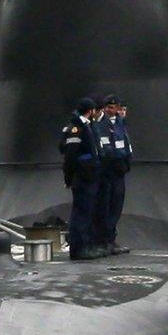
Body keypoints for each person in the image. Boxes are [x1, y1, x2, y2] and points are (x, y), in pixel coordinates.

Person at [59, 96, 104, 260]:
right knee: (81, 214)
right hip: (82, 178)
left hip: (90, 177)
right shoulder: (77, 129)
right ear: (91, 110)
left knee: (87, 212)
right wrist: (68, 178)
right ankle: (78, 249)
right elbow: (70, 156)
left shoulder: (87, 126)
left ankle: (85, 245)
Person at [94, 95, 132, 253]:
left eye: (114, 107)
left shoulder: (120, 123)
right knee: (105, 205)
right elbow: (105, 147)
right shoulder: (99, 125)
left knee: (117, 204)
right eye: (108, 107)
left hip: (119, 170)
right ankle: (103, 239)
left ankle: (111, 238)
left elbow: (125, 144)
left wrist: (126, 163)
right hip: (107, 170)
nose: (112, 110)